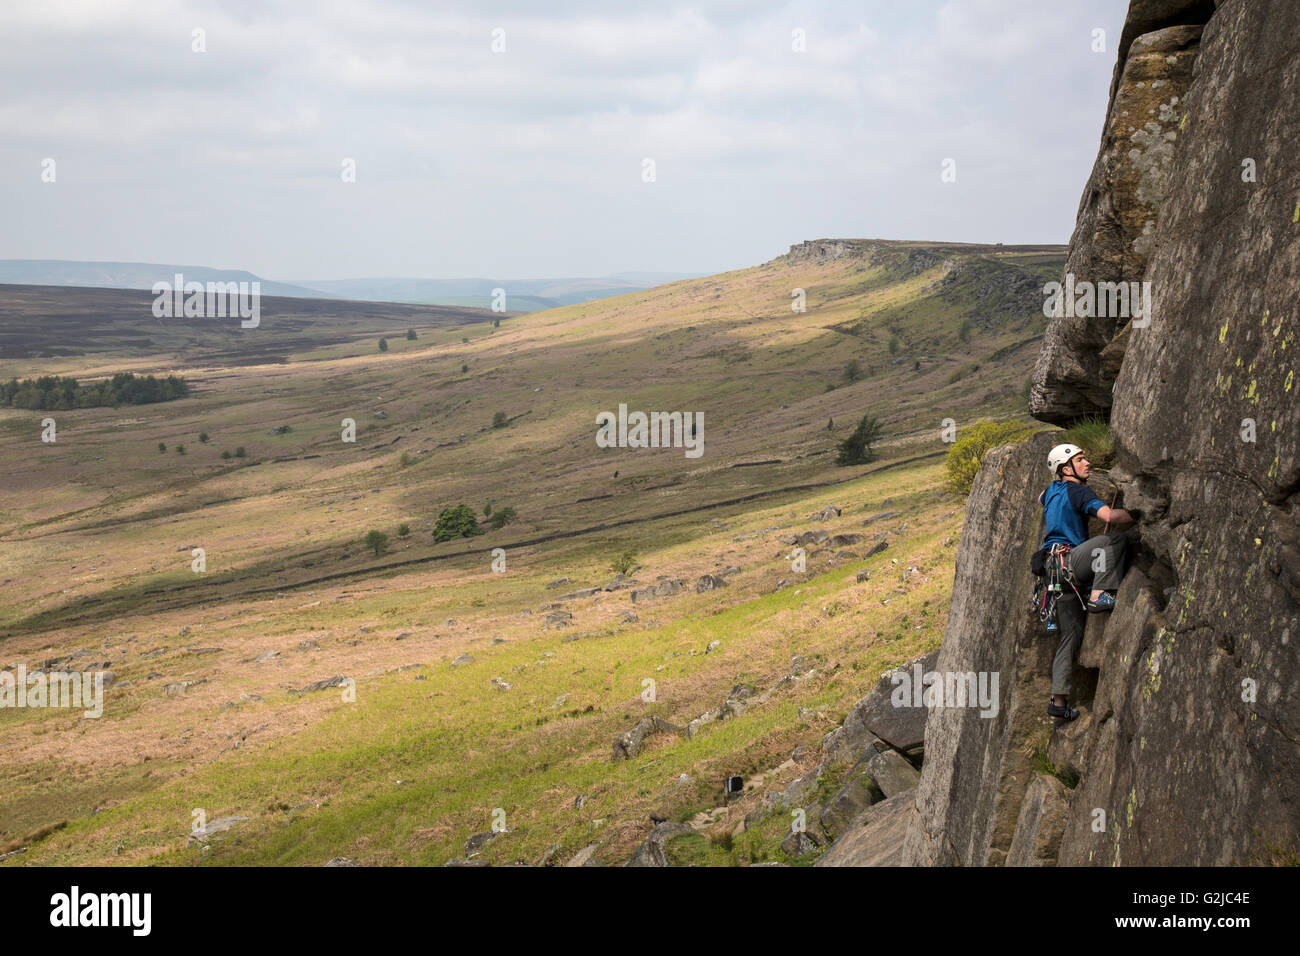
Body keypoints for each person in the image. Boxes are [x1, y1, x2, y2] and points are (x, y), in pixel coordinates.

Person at [1039, 442, 1135, 722]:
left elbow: (1040, 497)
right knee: (1114, 540)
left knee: (1070, 636)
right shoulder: (1078, 490)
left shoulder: (1050, 492)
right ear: (1066, 468)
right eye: (1081, 460)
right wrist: (1139, 515)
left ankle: (1058, 702)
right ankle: (1099, 595)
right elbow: (1108, 516)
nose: (1087, 463)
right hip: (1071, 563)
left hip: (1053, 573)